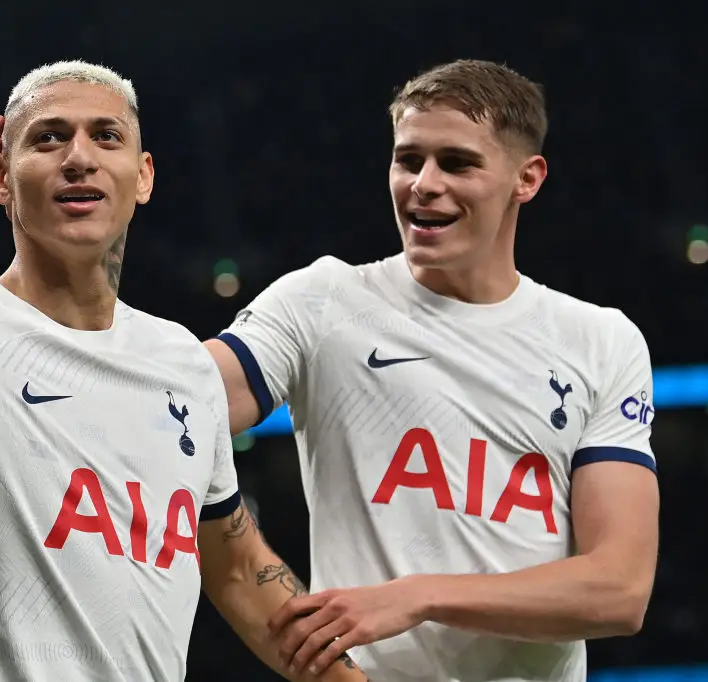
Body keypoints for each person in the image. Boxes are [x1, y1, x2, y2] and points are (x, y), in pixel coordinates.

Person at [0, 58, 367, 682]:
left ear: (143, 176)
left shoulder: (181, 359)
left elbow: (238, 568)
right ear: (0, 178)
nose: (79, 157)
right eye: (48, 138)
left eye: (106, 136)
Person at [202, 59, 660, 681]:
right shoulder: (324, 301)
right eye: (408, 159)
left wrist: (419, 596)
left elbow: (619, 589)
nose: (423, 183)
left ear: (527, 179)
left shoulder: (601, 340)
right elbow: (180, 408)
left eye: (457, 163)